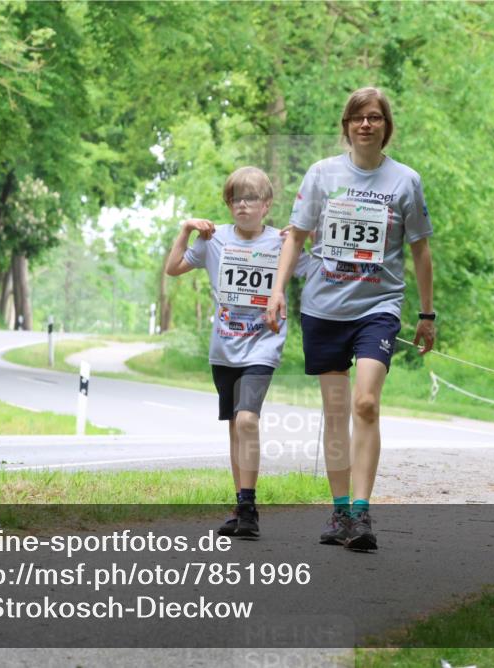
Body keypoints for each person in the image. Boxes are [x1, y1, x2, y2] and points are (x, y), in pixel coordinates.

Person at [266, 87, 436, 551]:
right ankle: (340, 510)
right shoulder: (322, 174)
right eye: (358, 117)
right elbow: (295, 238)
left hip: (378, 308)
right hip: (323, 308)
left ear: (386, 127)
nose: (366, 124)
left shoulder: (405, 181)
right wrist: (277, 292)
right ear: (346, 125)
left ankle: (361, 513)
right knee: (336, 411)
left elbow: (421, 250)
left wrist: (426, 314)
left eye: (375, 117)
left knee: (365, 403)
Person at [165, 166, 309, 539]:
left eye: (251, 199)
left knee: (247, 420)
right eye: (236, 199)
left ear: (267, 204)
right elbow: (173, 268)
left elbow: (317, 269)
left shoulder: (280, 242)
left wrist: (307, 239)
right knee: (235, 427)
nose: (243, 206)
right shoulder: (214, 240)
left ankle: (249, 506)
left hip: (263, 344)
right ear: (228, 204)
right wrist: (184, 231)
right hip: (224, 349)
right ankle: (242, 506)